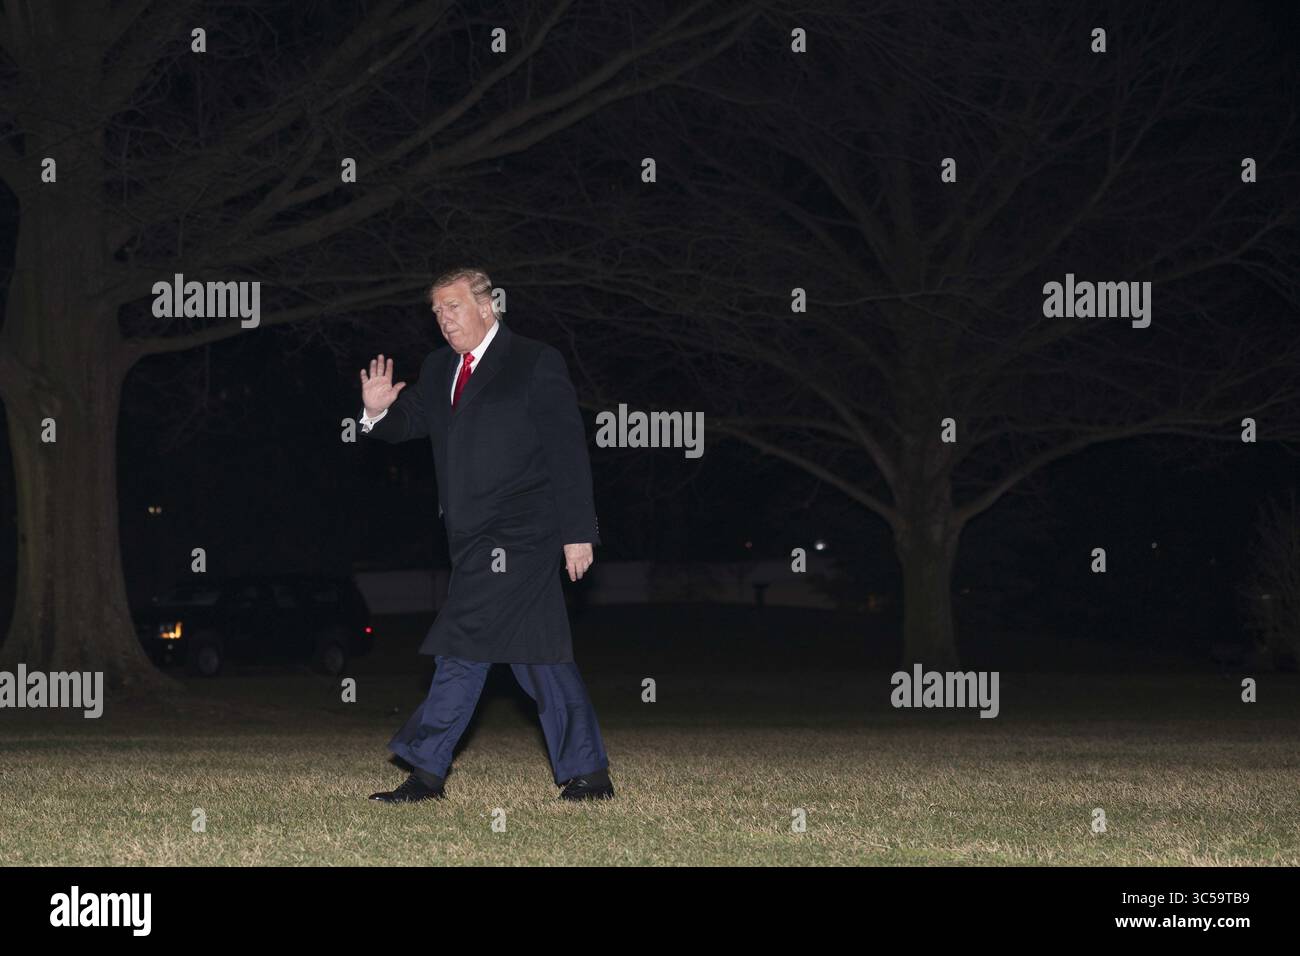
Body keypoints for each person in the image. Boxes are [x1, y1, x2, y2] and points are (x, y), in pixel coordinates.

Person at [359, 266, 613, 802]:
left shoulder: (533, 361)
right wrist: (376, 413)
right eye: (435, 310)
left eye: (452, 305)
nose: (442, 317)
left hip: (523, 532)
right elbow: (409, 424)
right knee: (537, 654)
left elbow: (567, 450)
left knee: (464, 640)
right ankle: (588, 772)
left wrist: (578, 530)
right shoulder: (437, 368)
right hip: (469, 539)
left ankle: (425, 769)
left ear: (487, 305)